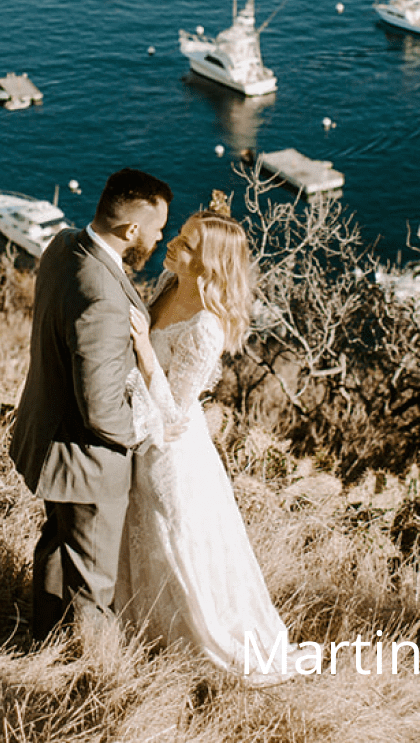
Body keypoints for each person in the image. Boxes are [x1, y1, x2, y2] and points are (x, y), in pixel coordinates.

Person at [116, 208, 294, 683]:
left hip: (171, 448)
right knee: (140, 537)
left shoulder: (206, 328)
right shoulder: (170, 287)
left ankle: (187, 641)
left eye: (189, 243)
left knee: (174, 542)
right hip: (140, 429)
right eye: (180, 235)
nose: (173, 243)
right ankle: (138, 627)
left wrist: (144, 351)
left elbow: (174, 411)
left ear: (210, 264)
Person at [9, 167, 173, 641]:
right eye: (157, 229)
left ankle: (44, 647)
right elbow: (101, 409)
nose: (161, 238)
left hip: (48, 442)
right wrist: (147, 431)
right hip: (86, 463)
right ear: (131, 231)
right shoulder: (103, 294)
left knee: (57, 552)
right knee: (94, 591)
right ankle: (95, 688)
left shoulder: (63, 245)